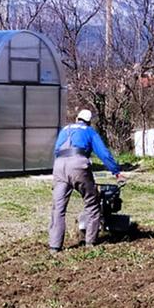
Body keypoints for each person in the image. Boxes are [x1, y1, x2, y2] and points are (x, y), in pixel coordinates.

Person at [48, 109, 125, 254]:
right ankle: (90, 242)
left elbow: (57, 150)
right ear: (89, 122)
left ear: (77, 118)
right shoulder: (89, 131)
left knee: (58, 208)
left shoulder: (65, 129)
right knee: (92, 202)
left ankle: (54, 246)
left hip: (59, 166)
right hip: (78, 165)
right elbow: (103, 153)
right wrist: (116, 172)